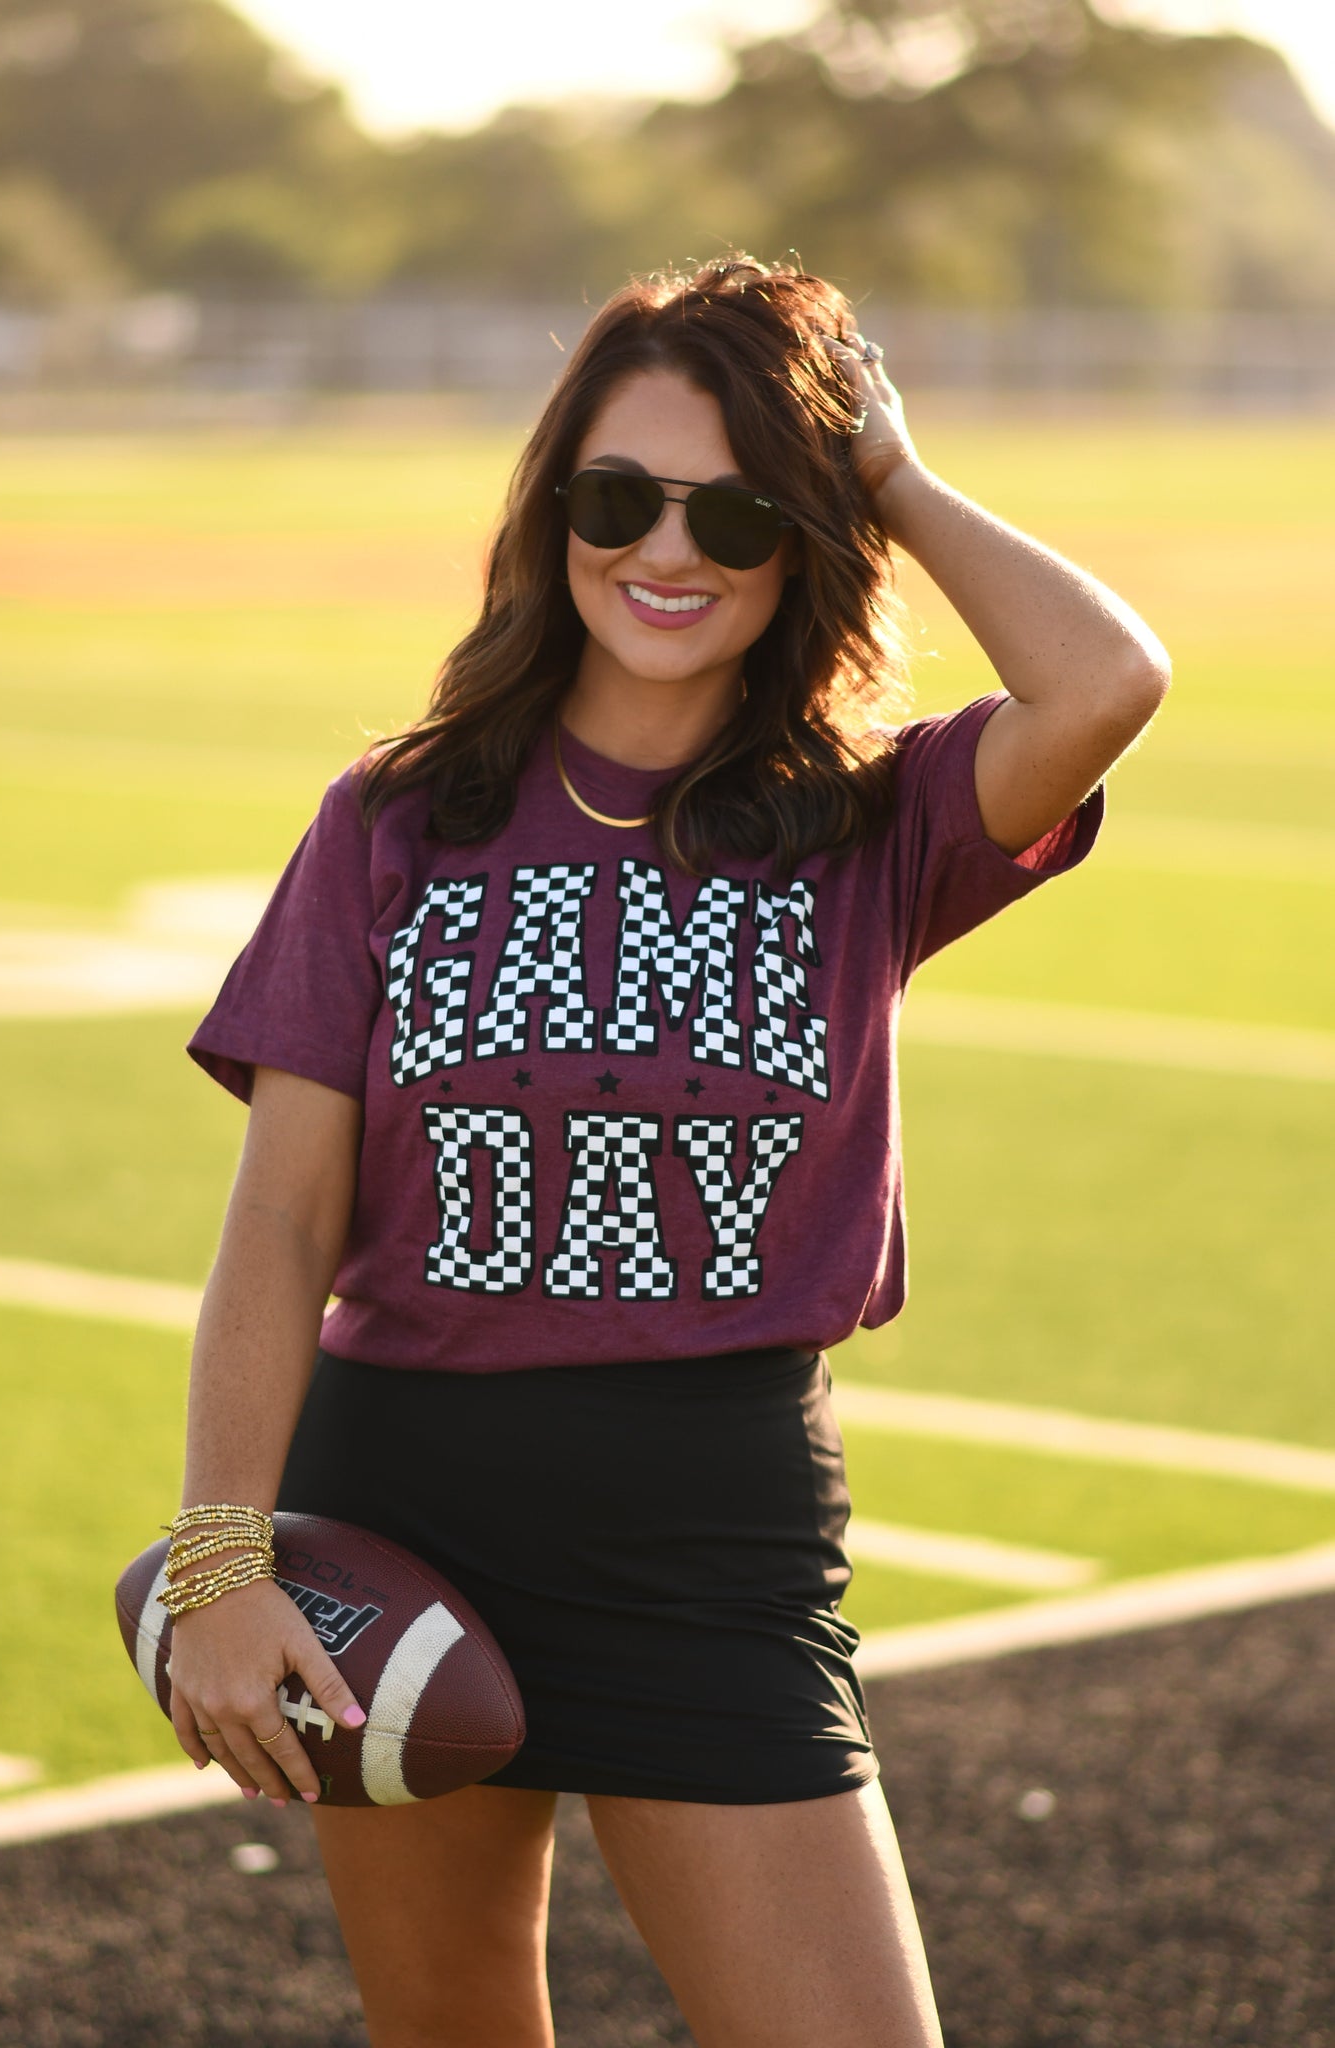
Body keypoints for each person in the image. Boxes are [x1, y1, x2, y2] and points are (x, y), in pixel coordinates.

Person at [163, 255, 1169, 2048]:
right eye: (618, 499)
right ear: (554, 513)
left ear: (808, 535)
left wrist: (896, 475)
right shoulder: (396, 819)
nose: (668, 550)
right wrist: (223, 1561)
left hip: (711, 1533)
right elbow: (282, 1217)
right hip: (401, 1511)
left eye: (738, 508)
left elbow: (1104, 682)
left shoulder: (871, 823)